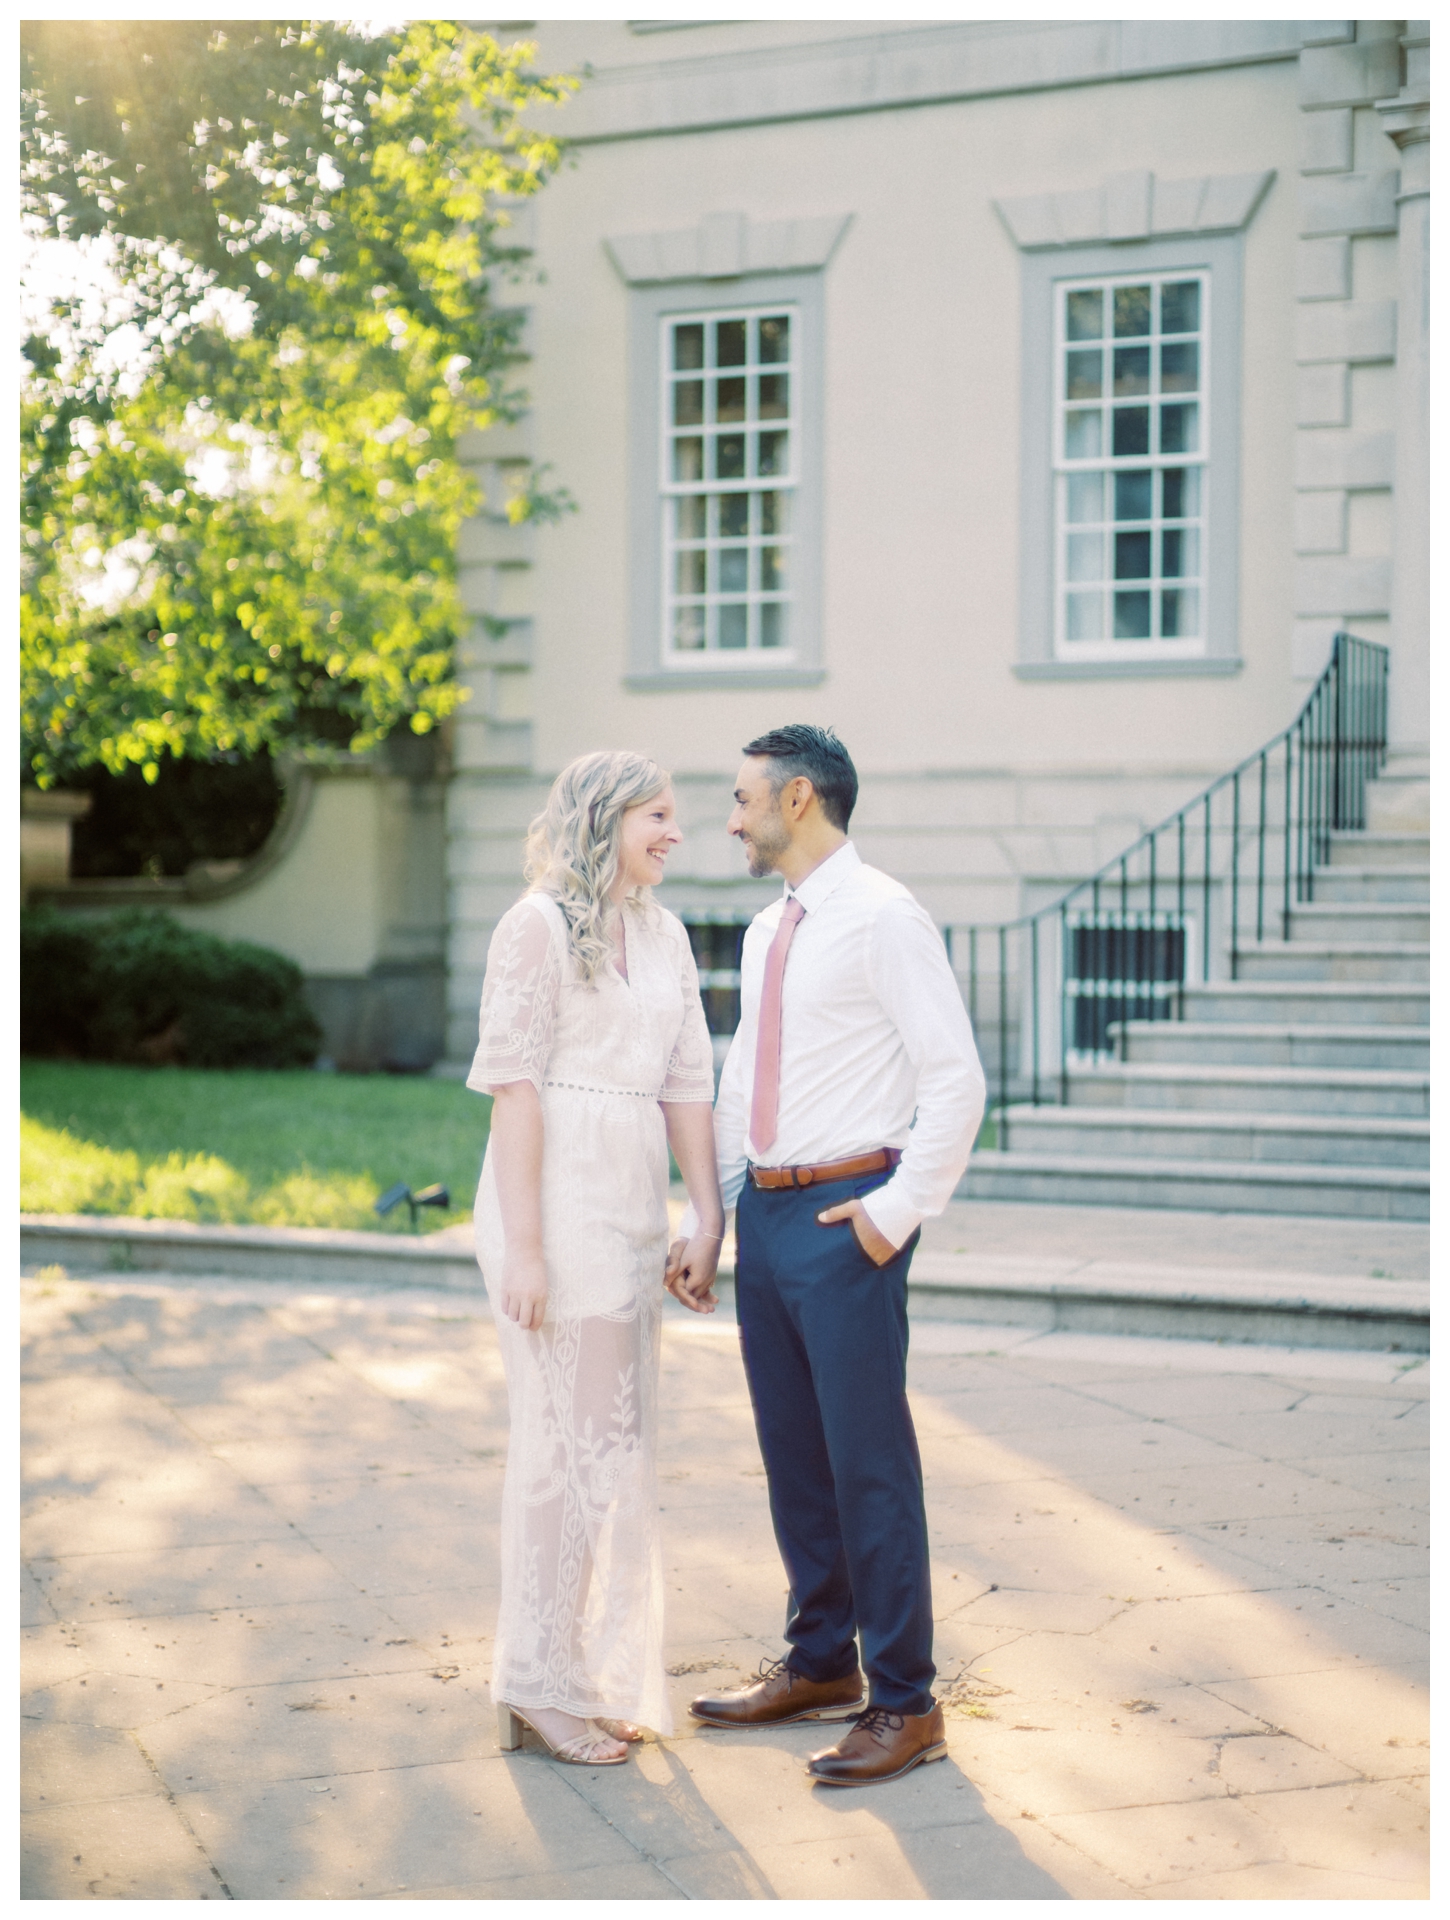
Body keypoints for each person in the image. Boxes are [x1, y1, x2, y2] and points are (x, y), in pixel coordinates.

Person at [667, 724, 986, 1787]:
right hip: (767, 1213)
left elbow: (956, 1080)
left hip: (851, 1215)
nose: (729, 817)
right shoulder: (769, 932)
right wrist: (712, 1219)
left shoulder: (886, 918)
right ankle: (821, 1664)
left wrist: (892, 1215)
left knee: (867, 1464)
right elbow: (735, 1080)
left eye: (741, 797)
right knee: (797, 1458)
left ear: (798, 798)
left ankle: (905, 1701)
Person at [469, 750, 724, 1767]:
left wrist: (707, 1220)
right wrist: (525, 1250)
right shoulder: (532, 927)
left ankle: (587, 1671)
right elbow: (514, 1090)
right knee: (560, 1451)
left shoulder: (663, 935)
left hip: (629, 1206)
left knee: (610, 1451)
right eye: (658, 815)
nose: (675, 832)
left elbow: (689, 1085)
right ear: (604, 818)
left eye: (677, 817)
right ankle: (536, 1684)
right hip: (553, 1201)